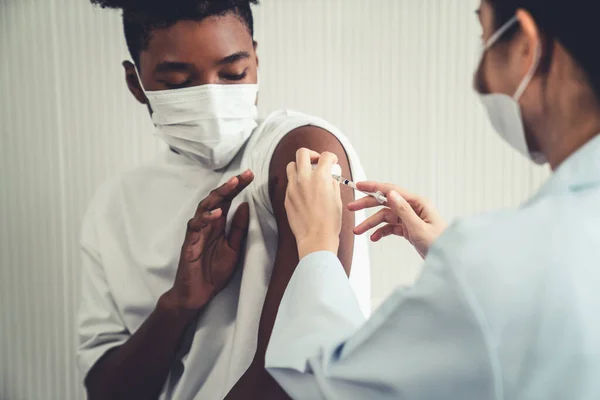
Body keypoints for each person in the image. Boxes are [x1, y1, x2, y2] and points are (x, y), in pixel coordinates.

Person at [265, 0, 600, 399]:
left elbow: (323, 387)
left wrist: (317, 245)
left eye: (484, 39)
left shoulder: (494, 266)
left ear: (527, 47)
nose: (480, 76)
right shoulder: (521, 261)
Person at [77, 1, 371, 399]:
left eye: (234, 73)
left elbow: (290, 374)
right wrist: (178, 304)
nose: (213, 100)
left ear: (256, 61)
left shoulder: (297, 150)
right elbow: (106, 390)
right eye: (179, 82)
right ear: (136, 83)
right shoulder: (113, 207)